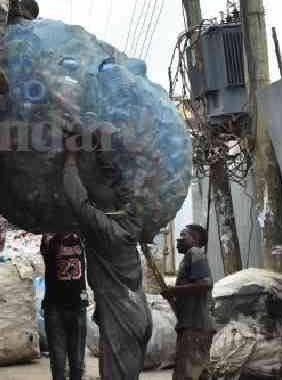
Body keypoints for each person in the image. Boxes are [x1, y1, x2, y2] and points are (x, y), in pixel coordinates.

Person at [62, 125, 152, 380]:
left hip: (122, 320)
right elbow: (120, 183)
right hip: (136, 314)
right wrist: (101, 148)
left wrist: (70, 157)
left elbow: (79, 202)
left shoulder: (107, 231)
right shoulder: (132, 222)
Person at [161, 224, 215, 380]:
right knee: (200, 374)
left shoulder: (195, 253)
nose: (179, 239)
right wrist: (172, 296)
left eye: (183, 235)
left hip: (195, 327)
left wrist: (174, 290)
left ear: (195, 239)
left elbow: (205, 284)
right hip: (193, 326)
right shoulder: (188, 258)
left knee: (185, 375)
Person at [40, 232, 88, 380]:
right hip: (55, 309)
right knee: (58, 364)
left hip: (78, 307)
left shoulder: (80, 234)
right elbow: (47, 247)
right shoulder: (49, 236)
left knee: (77, 365)